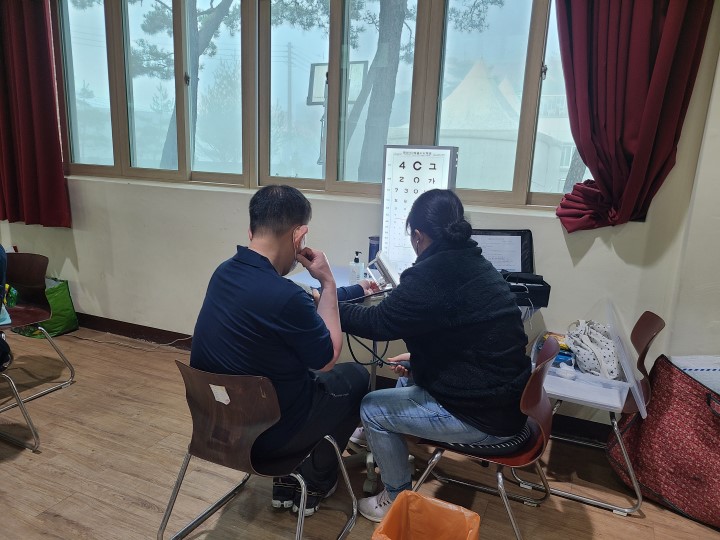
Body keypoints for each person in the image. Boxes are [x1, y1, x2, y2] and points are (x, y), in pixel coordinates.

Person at [339, 189, 531, 522]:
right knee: (404, 382)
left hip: (487, 419)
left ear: (418, 235)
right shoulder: (475, 262)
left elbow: (377, 322)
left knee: (371, 407)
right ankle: (377, 440)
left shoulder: (432, 274)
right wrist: (418, 361)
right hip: (507, 403)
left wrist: (329, 302)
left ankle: (396, 500)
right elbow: (462, 338)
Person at [190, 185, 371, 516]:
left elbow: (295, 309)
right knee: (355, 377)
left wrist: (340, 292)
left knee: (290, 373)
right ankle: (315, 480)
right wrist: (328, 283)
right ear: (299, 236)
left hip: (215, 428)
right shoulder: (286, 296)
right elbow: (327, 359)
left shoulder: (223, 273)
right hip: (270, 441)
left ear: (251, 231)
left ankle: (289, 479)